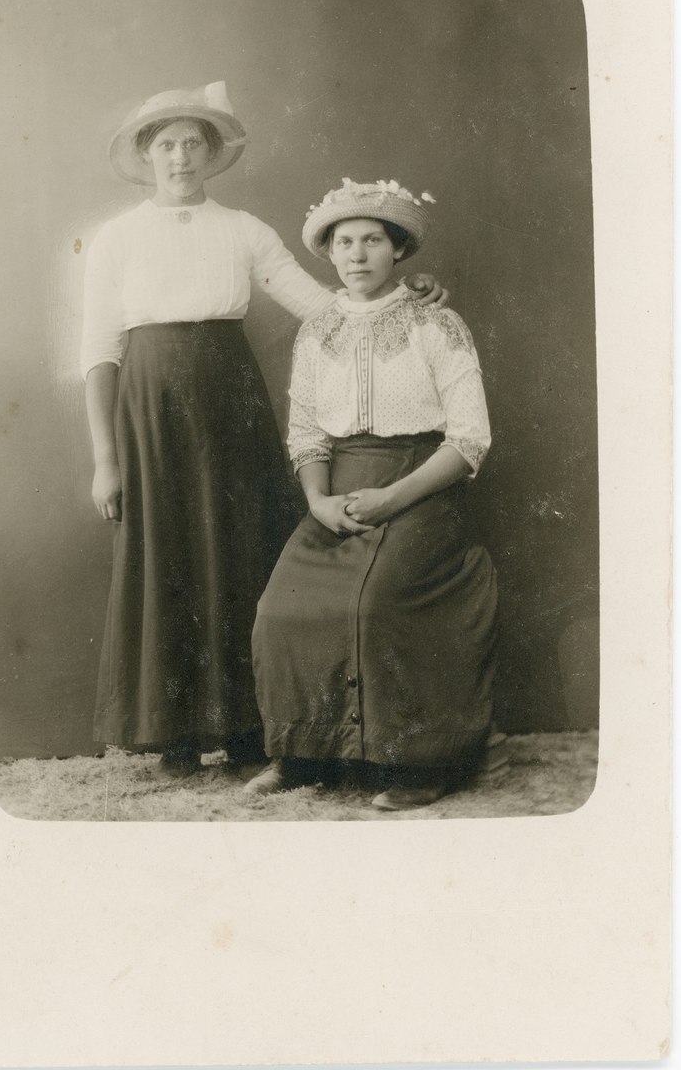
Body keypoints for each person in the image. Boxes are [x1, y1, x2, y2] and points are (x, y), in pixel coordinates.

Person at [81, 85, 447, 775]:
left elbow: (323, 305)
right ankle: (175, 736)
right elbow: (99, 351)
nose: (180, 157)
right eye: (167, 144)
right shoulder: (117, 238)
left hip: (230, 401)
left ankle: (249, 730)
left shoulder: (243, 229)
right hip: (149, 410)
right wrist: (106, 459)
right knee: (166, 555)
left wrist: (407, 293)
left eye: (193, 143)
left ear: (210, 153)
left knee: (240, 547)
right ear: (147, 155)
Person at [247, 177, 499, 809]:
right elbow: (307, 433)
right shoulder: (317, 331)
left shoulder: (436, 323)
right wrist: (318, 501)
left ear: (398, 249)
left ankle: (420, 762)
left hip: (422, 487)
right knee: (280, 609)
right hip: (338, 493)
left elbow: (469, 439)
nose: (357, 254)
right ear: (330, 254)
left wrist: (393, 499)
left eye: (372, 240)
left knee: (377, 603)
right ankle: (299, 755)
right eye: (344, 243)